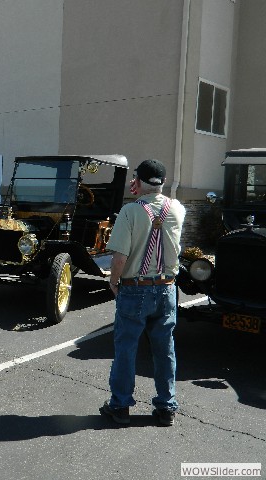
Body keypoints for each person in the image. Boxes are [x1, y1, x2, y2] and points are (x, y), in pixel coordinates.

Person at [99, 159, 186, 427]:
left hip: (136, 289)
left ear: (139, 181)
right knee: (164, 348)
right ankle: (166, 408)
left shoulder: (130, 211)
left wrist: (114, 282)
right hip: (167, 287)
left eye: (134, 178)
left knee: (126, 348)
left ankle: (121, 406)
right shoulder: (178, 208)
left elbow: (119, 257)